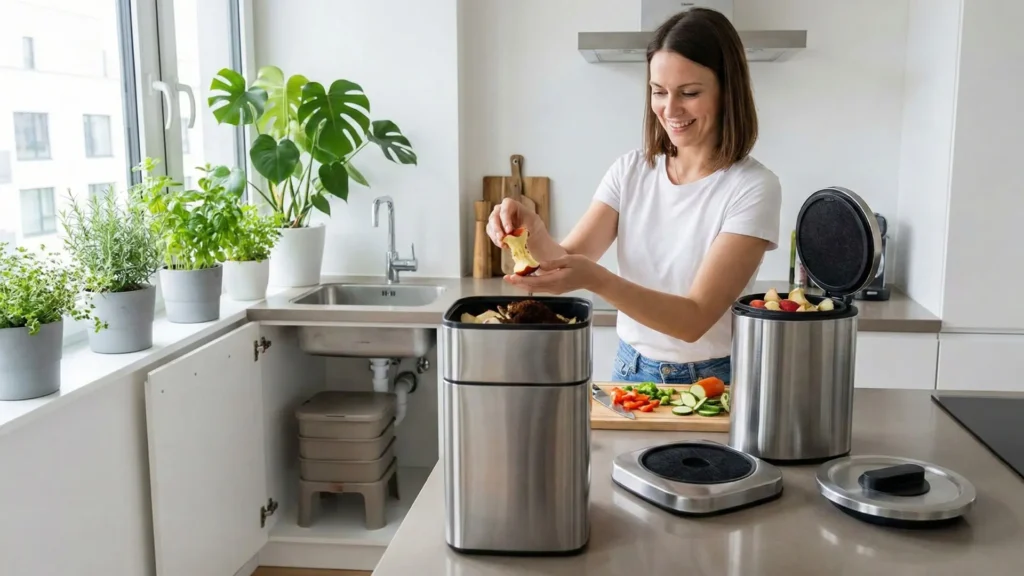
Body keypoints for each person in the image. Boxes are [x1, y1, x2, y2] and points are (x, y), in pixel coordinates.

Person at [486, 8, 782, 384]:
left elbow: (693, 320)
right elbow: (565, 262)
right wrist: (531, 233)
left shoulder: (753, 188)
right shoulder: (631, 170)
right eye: (658, 92)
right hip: (628, 369)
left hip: (709, 381)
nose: (670, 109)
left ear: (728, 91)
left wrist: (599, 280)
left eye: (689, 93)